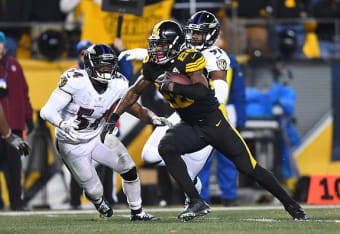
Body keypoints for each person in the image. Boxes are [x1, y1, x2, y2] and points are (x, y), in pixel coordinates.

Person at [102, 20, 308, 222]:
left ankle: (291, 204)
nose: (155, 50)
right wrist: (114, 116)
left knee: (249, 167)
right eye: (154, 45)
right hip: (189, 122)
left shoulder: (189, 58)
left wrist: (174, 87)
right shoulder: (154, 64)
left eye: (161, 45)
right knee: (166, 147)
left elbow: (202, 91)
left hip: (213, 122)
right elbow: (134, 91)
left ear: (173, 45)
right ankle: (196, 201)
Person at [40, 43, 168, 220]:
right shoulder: (75, 80)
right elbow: (46, 111)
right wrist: (62, 124)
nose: (107, 69)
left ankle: (137, 212)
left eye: (110, 65)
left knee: (128, 167)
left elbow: (132, 106)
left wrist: (151, 117)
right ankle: (98, 201)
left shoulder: (118, 83)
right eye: (102, 65)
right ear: (91, 65)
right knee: (94, 190)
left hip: (97, 135)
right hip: (72, 142)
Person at [198, 54, 246, 206]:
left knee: (229, 157)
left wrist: (241, 118)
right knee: (202, 158)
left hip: (226, 111)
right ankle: (200, 196)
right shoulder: (194, 57)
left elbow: (238, 92)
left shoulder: (230, 60)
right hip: (203, 111)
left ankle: (230, 195)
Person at [0, 31, 33, 211]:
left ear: (4, 45)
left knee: (14, 167)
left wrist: (28, 116)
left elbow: (24, 94)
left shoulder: (14, 65)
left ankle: (16, 202)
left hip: (14, 126)